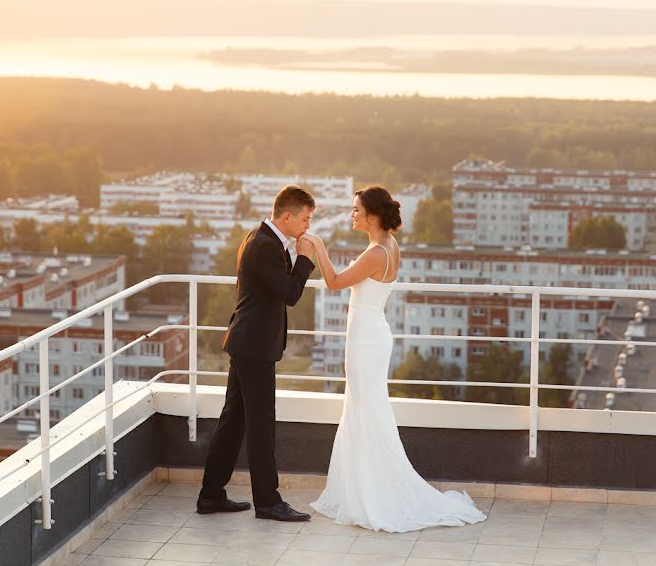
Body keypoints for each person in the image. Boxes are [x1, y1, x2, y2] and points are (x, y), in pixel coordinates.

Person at [300, 185, 486, 533]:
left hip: (365, 340)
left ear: (372, 215)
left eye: (356, 210)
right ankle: (363, 488)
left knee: (365, 410)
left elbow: (335, 282)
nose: (353, 215)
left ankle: (373, 495)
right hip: (371, 335)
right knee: (365, 409)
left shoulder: (376, 253)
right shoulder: (388, 245)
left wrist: (318, 247)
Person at [197, 184, 316, 522]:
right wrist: (305, 258)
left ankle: (211, 495)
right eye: (305, 220)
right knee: (260, 425)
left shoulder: (262, 239)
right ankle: (268, 502)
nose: (307, 227)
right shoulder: (264, 245)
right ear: (288, 216)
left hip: (248, 344)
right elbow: (290, 293)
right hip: (253, 347)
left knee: (233, 421)